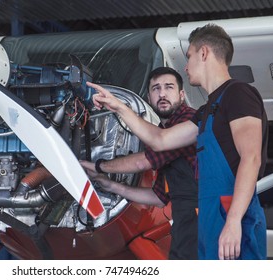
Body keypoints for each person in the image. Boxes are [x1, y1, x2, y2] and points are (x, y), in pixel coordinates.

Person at [87, 23, 268, 260]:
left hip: (231, 214)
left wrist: (234, 221)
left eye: (189, 56)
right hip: (210, 218)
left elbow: (251, 157)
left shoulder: (238, 93)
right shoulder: (207, 111)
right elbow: (160, 139)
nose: (186, 65)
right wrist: (118, 106)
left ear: (203, 53)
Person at [81, 66, 198, 260]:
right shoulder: (162, 130)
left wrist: (98, 166)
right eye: (155, 89)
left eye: (169, 87)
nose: (162, 94)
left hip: (200, 218)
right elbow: (159, 197)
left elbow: (143, 162)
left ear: (182, 95)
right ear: (149, 97)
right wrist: (111, 185)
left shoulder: (187, 120)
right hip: (185, 222)